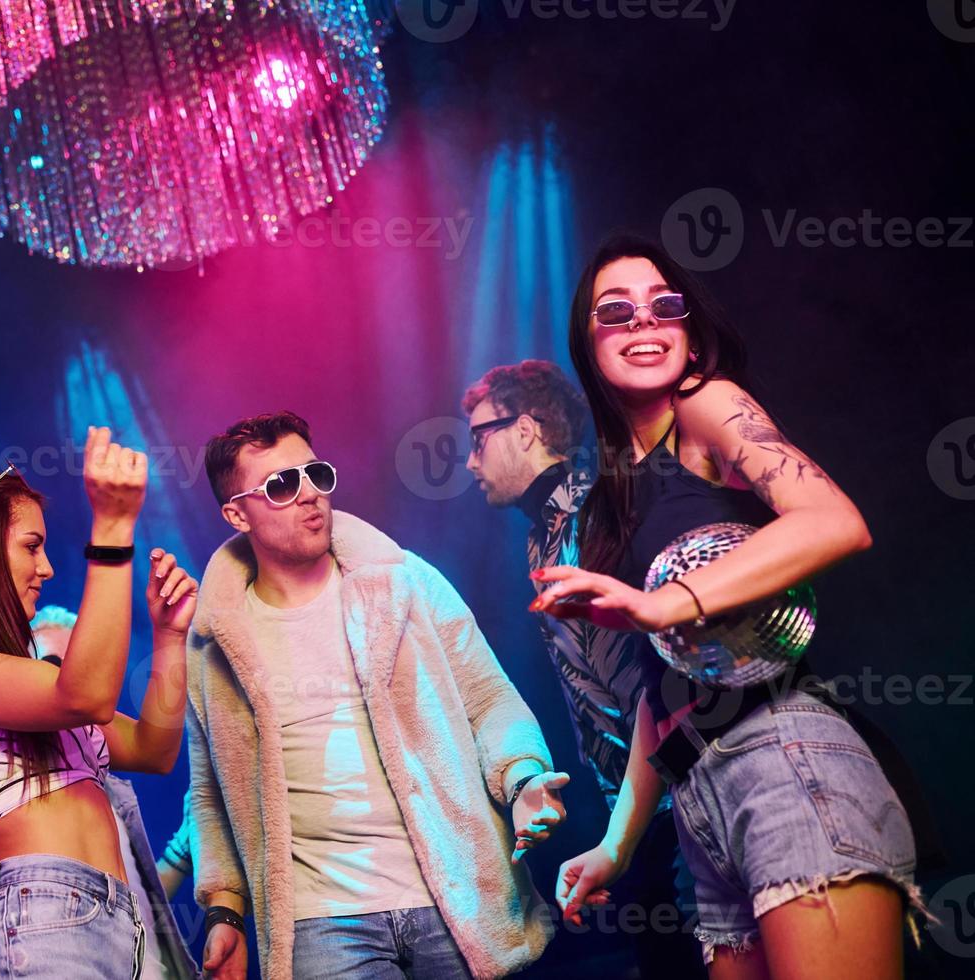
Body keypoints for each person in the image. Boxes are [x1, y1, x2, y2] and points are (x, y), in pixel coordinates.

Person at [534, 235, 924, 977]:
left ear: (688, 328)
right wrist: (616, 845)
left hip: (785, 756)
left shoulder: (707, 406)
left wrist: (664, 604)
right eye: (616, 312)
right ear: (587, 342)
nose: (644, 324)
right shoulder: (610, 503)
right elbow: (666, 692)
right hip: (700, 800)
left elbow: (833, 520)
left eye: (664, 307)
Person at [185, 411, 568, 980]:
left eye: (315, 473)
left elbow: (489, 700)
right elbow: (210, 791)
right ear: (236, 513)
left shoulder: (406, 583)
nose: (309, 494)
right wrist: (224, 909)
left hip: (452, 894)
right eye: (281, 485)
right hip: (320, 922)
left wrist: (524, 781)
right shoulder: (216, 639)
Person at [0, 427, 198, 980]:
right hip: (40, 922)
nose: (48, 567)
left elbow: (153, 749)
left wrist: (170, 639)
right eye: (31, 546)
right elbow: (84, 694)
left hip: (117, 927)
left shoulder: (33, 689)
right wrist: (111, 528)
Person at [462, 360, 704, 977]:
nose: (469, 463)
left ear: (526, 429)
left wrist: (653, 811)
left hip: (688, 793)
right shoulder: (538, 537)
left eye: (477, 438)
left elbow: (677, 668)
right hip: (637, 809)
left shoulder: (600, 503)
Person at [0, 605, 200, 979]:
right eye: (48, 664)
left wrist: (170, 636)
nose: (60, 679)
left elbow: (155, 752)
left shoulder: (110, 792)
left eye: (73, 669)